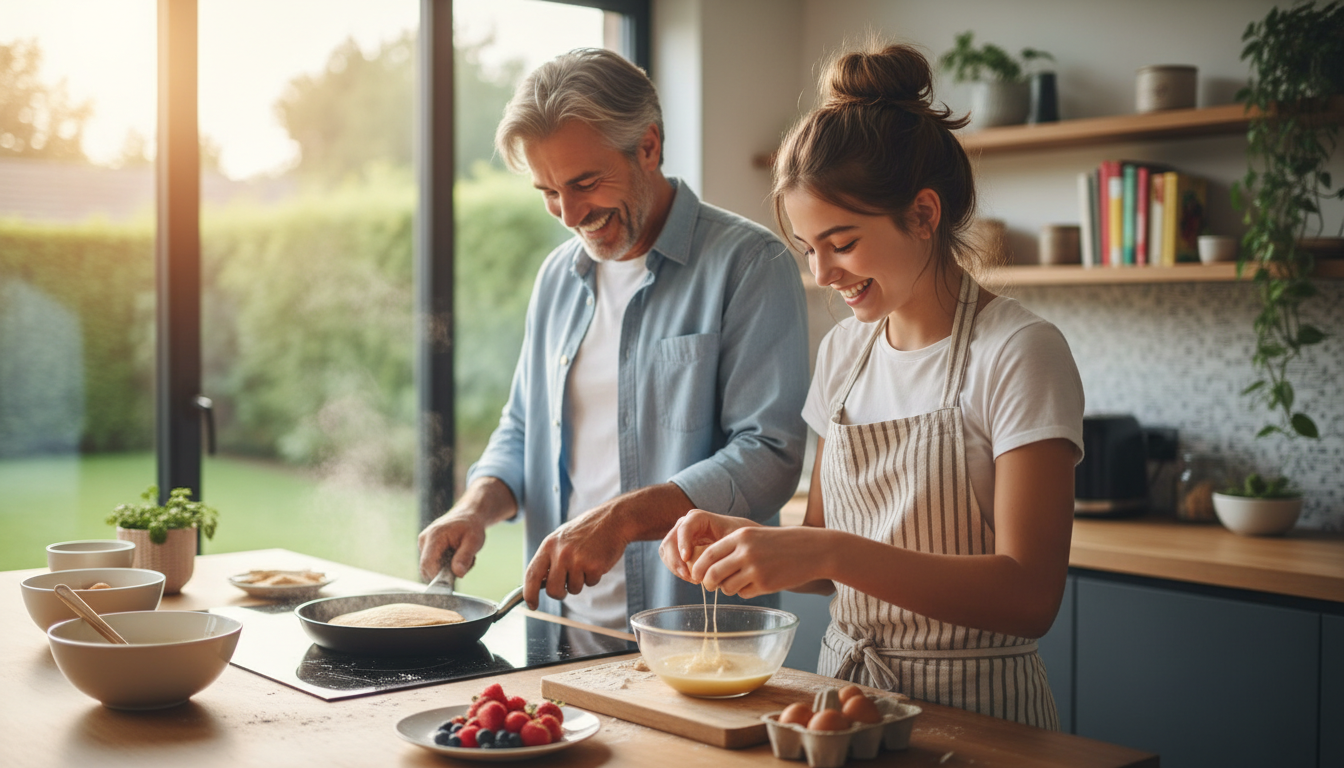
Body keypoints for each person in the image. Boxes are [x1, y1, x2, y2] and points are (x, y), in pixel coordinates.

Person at [658, 42, 1084, 729]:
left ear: (922, 214)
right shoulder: (845, 353)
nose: (822, 273)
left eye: (842, 241)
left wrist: (826, 550)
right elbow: (828, 554)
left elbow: (1031, 595)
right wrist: (750, 543)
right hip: (845, 704)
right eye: (808, 248)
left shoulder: (1019, 352)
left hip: (983, 717)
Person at [417, 48, 810, 632]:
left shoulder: (749, 264)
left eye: (583, 183)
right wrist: (477, 506)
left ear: (648, 147)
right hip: (561, 630)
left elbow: (770, 455)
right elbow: (523, 427)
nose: (570, 214)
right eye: (548, 192)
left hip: (696, 638)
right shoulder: (557, 275)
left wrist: (621, 520)